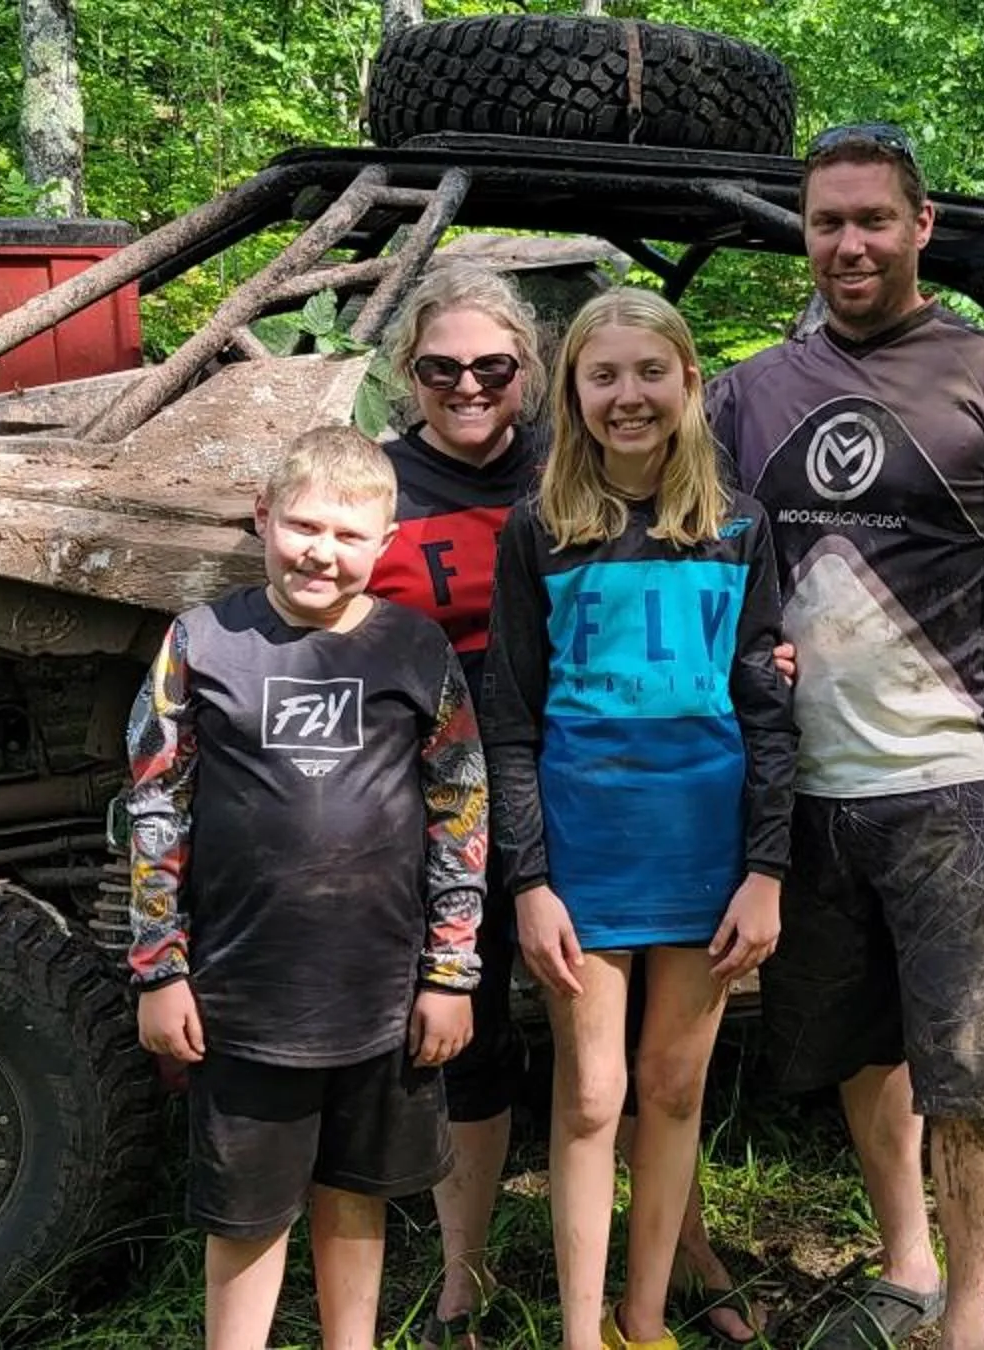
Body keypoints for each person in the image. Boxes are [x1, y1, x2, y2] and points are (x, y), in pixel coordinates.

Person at [703, 121, 984, 1350]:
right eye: (828, 223)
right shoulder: (749, 390)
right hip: (803, 790)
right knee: (861, 1043)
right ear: (805, 235)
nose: (850, 244)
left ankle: (971, 1315)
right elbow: (701, 565)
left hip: (954, 783)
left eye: (874, 219)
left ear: (921, 227)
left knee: (974, 1063)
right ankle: (907, 1262)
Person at [121, 425, 487, 1350]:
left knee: (355, 1194)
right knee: (247, 1215)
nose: (321, 552)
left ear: (386, 543)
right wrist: (160, 970)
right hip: (243, 998)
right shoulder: (201, 644)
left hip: (381, 991)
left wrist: (450, 975)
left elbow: (461, 811)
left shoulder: (416, 649)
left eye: (348, 534)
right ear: (263, 518)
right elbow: (155, 806)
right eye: (303, 526)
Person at [482, 286, 798, 1350]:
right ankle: (581, 1332)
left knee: (670, 1085)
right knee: (590, 1094)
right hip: (583, 850)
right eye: (603, 375)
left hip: (705, 847)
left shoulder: (740, 526)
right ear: (571, 392)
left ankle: (645, 1314)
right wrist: (528, 880)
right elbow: (511, 718)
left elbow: (767, 706)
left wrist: (767, 868)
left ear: (689, 383)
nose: (629, 397)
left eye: (649, 373)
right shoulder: (541, 529)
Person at [369, 263, 546, 1350]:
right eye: (443, 368)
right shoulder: (375, 485)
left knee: (615, 1022)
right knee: (459, 1029)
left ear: (528, 370)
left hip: (570, 781)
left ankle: (667, 1247)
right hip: (426, 802)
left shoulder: (573, 471)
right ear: (411, 374)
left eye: (492, 366)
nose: (468, 386)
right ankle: (461, 1279)